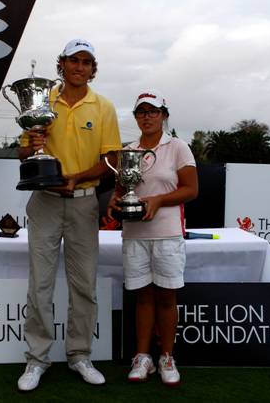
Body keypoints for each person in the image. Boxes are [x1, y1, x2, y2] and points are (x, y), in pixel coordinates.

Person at [16, 38, 122, 392]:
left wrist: (79, 177)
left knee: (83, 285)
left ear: (94, 68)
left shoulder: (103, 106)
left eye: (87, 62)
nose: (80, 67)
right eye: (74, 60)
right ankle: (37, 359)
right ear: (61, 64)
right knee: (40, 285)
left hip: (83, 201)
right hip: (45, 201)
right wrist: (29, 145)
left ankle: (79, 355)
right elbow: (23, 154)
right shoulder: (41, 101)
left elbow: (112, 161)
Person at [108, 90, 198, 386]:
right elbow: (123, 190)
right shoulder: (129, 150)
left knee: (166, 296)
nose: (147, 116)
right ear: (135, 117)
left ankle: (167, 356)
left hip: (168, 233)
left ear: (163, 115)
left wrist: (158, 200)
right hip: (135, 233)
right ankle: (142, 357)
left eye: (153, 111)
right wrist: (114, 199)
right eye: (141, 112)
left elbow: (191, 190)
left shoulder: (177, 147)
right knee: (143, 296)